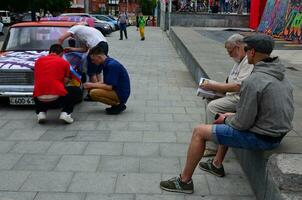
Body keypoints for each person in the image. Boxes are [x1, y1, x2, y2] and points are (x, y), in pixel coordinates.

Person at [160, 34, 294, 194]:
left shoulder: (255, 80)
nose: (245, 53)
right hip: (278, 132)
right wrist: (230, 117)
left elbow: (241, 124)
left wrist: (227, 118)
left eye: (246, 49)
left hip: (264, 137)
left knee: (199, 132)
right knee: (227, 118)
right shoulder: (280, 74)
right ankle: (216, 164)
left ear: (251, 52)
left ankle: (184, 181)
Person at [202, 34, 254, 156]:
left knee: (212, 107)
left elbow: (238, 86)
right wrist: (213, 91)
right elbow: (230, 82)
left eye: (230, 51)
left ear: (238, 47)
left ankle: (212, 146)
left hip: (239, 98)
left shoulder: (247, 61)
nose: (229, 55)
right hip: (231, 95)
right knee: (209, 100)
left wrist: (213, 86)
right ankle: (216, 135)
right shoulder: (238, 60)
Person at [33, 44, 83, 124]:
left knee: (40, 87)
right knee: (76, 90)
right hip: (56, 99)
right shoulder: (64, 62)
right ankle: (66, 113)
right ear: (61, 53)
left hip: (38, 98)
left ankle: (41, 113)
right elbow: (65, 81)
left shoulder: (38, 61)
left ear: (49, 52)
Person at [58, 24, 108, 101]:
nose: (71, 37)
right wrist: (71, 49)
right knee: (97, 71)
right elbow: (84, 49)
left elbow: (61, 39)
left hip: (96, 46)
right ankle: (100, 91)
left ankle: (93, 94)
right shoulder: (83, 34)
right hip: (104, 45)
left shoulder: (75, 28)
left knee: (92, 73)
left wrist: (57, 52)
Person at [83, 46, 130, 115]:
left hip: (121, 93)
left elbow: (109, 87)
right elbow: (106, 81)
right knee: (93, 88)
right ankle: (117, 104)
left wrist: (92, 84)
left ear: (99, 57)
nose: (92, 62)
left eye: (93, 59)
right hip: (119, 90)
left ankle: (118, 104)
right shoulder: (108, 62)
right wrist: (92, 84)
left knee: (93, 93)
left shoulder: (111, 65)